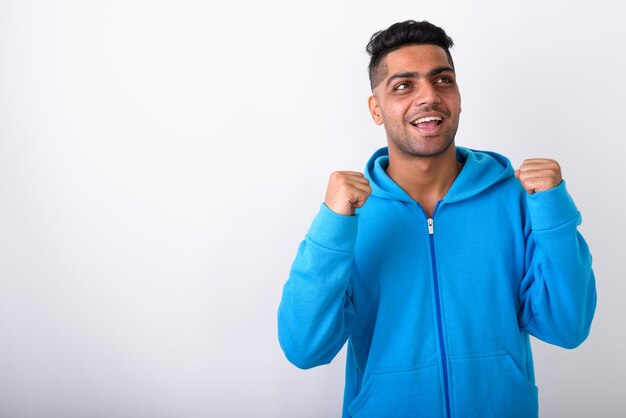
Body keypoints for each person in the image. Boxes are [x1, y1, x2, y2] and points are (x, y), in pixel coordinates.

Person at [277, 20, 596, 418]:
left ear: (459, 96)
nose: (429, 96)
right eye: (403, 85)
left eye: (442, 80)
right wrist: (331, 225)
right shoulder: (350, 215)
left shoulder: (517, 198)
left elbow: (567, 327)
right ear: (376, 109)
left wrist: (553, 211)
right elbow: (305, 348)